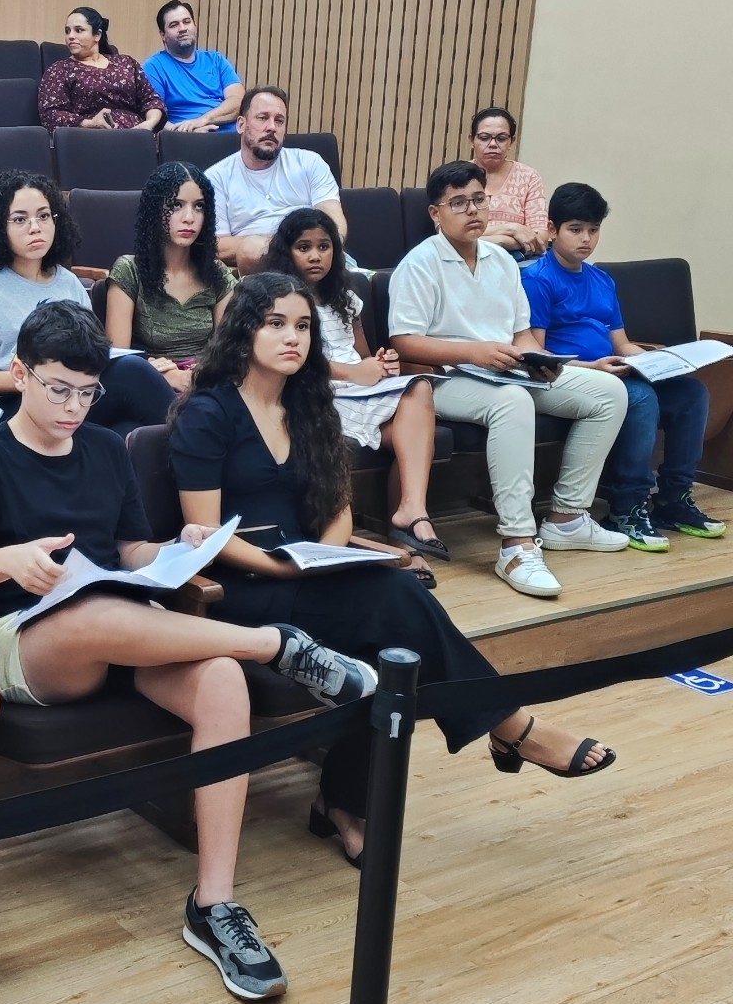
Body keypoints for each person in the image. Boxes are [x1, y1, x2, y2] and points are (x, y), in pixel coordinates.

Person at [0, 301, 382, 1001]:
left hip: (122, 624)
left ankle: (214, 902)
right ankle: (275, 646)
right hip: (26, 639)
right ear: (20, 374)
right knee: (90, 611)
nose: (74, 408)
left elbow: (128, 549)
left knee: (221, 681)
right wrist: (9, 560)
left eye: (88, 393)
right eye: (59, 389)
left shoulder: (104, 449)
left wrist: (177, 547)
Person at [170, 275, 615, 864]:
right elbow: (206, 536)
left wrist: (325, 558)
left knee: (394, 641)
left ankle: (344, 801)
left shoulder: (309, 405)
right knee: (396, 601)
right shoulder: (208, 412)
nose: (292, 337)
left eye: (302, 326)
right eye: (275, 324)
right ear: (243, 330)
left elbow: (338, 509)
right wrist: (285, 570)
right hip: (241, 588)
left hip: (310, 574)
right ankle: (509, 728)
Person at [388, 161, 630, 597]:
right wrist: (472, 352)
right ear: (435, 213)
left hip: (505, 370)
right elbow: (404, 342)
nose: (472, 210)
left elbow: (521, 335)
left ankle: (567, 517)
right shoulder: (419, 263)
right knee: (513, 401)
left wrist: (543, 360)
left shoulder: (502, 260)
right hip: (444, 379)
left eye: (478, 199)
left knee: (609, 392)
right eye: (458, 203)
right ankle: (517, 543)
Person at [524, 182, 726, 548]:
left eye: (593, 229)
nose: (586, 239)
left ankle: (674, 498)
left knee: (691, 393)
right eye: (575, 229)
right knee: (641, 397)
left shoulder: (602, 280)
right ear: (552, 229)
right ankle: (626, 506)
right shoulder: (537, 279)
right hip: (570, 375)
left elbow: (622, 343)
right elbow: (537, 352)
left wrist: (658, 361)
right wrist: (594, 367)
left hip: (613, 368)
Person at [0, 169, 175, 433]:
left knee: (128, 429)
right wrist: (27, 379)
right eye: (20, 219)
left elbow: (91, 355)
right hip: (11, 404)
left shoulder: (69, 282)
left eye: (44, 216)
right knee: (132, 374)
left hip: (73, 398)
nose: (35, 227)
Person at [263, 207, 446, 559]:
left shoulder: (345, 298)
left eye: (324, 246)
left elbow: (361, 355)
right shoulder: (277, 299)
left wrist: (381, 363)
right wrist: (354, 373)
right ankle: (409, 531)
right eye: (303, 247)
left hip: (359, 392)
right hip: (316, 393)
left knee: (417, 399)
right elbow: (288, 363)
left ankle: (409, 518)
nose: (315, 256)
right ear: (287, 251)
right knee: (413, 419)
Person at [106, 163, 233, 395]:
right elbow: (118, 360)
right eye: (176, 205)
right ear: (155, 210)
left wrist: (194, 376)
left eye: (199, 206)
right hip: (148, 385)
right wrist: (167, 375)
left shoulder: (219, 275)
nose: (189, 218)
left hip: (206, 385)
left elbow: (229, 353)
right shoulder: (129, 270)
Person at [206, 87, 345, 269]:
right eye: (262, 118)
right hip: (257, 267)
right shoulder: (215, 178)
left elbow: (335, 223)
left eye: (279, 121)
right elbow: (218, 246)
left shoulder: (310, 162)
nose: (272, 127)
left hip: (314, 262)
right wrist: (288, 243)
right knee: (251, 250)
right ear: (241, 125)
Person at [38, 7, 164, 134]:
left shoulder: (126, 62)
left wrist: (149, 124)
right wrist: (90, 123)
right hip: (90, 137)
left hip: (137, 135)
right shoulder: (59, 70)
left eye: (79, 30)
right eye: (67, 31)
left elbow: (152, 100)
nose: (70, 36)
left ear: (97, 35)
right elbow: (50, 115)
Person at [143, 0, 244, 130]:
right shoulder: (154, 67)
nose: (182, 28)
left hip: (235, 136)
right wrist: (187, 132)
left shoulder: (216, 60)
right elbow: (155, 118)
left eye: (187, 22)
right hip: (190, 137)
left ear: (195, 26)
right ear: (163, 35)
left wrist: (203, 120)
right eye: (174, 25)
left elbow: (239, 101)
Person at [469, 105, 548, 256]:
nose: (493, 144)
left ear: (511, 142)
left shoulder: (528, 177)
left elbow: (540, 239)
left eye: (502, 138)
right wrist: (511, 229)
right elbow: (447, 234)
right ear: (472, 140)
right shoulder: (456, 176)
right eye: (484, 138)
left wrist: (482, 240)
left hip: (516, 262)